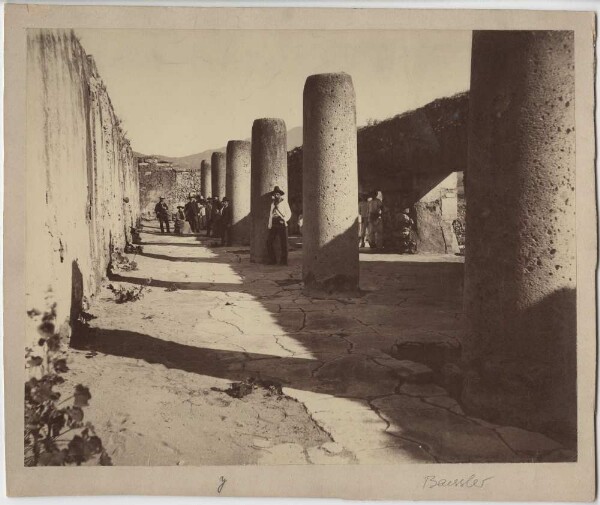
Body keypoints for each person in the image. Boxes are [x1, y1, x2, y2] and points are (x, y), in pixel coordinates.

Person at [266, 186, 292, 265]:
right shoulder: (272, 204)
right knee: (269, 242)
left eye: (277, 194)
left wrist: (284, 220)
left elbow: (289, 214)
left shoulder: (284, 203)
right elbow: (271, 214)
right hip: (274, 224)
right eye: (275, 194)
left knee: (283, 243)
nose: (276, 196)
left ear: (280, 195)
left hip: (281, 223)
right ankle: (273, 260)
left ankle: (284, 261)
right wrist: (269, 225)